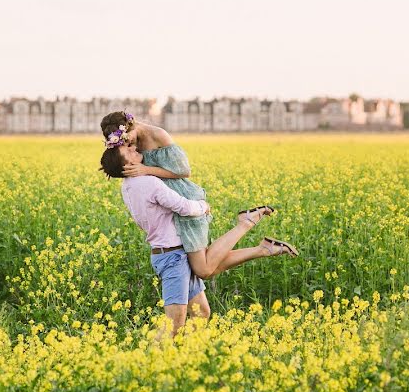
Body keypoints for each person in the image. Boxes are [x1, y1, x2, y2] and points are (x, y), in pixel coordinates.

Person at [100, 143, 297, 336]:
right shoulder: (148, 183)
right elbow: (184, 207)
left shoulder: (127, 187)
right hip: (172, 258)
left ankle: (187, 358)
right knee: (174, 326)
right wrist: (203, 206)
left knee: (201, 313)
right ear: (126, 166)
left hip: (175, 253)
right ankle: (149, 363)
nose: (135, 148)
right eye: (129, 151)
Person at [100, 111, 298, 280]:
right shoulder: (131, 148)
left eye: (127, 139)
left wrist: (146, 170)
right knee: (204, 268)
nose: (129, 144)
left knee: (203, 269)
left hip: (185, 202)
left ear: (131, 125)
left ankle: (247, 224)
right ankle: (263, 246)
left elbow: (184, 171)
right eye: (122, 143)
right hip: (172, 205)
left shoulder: (158, 135)